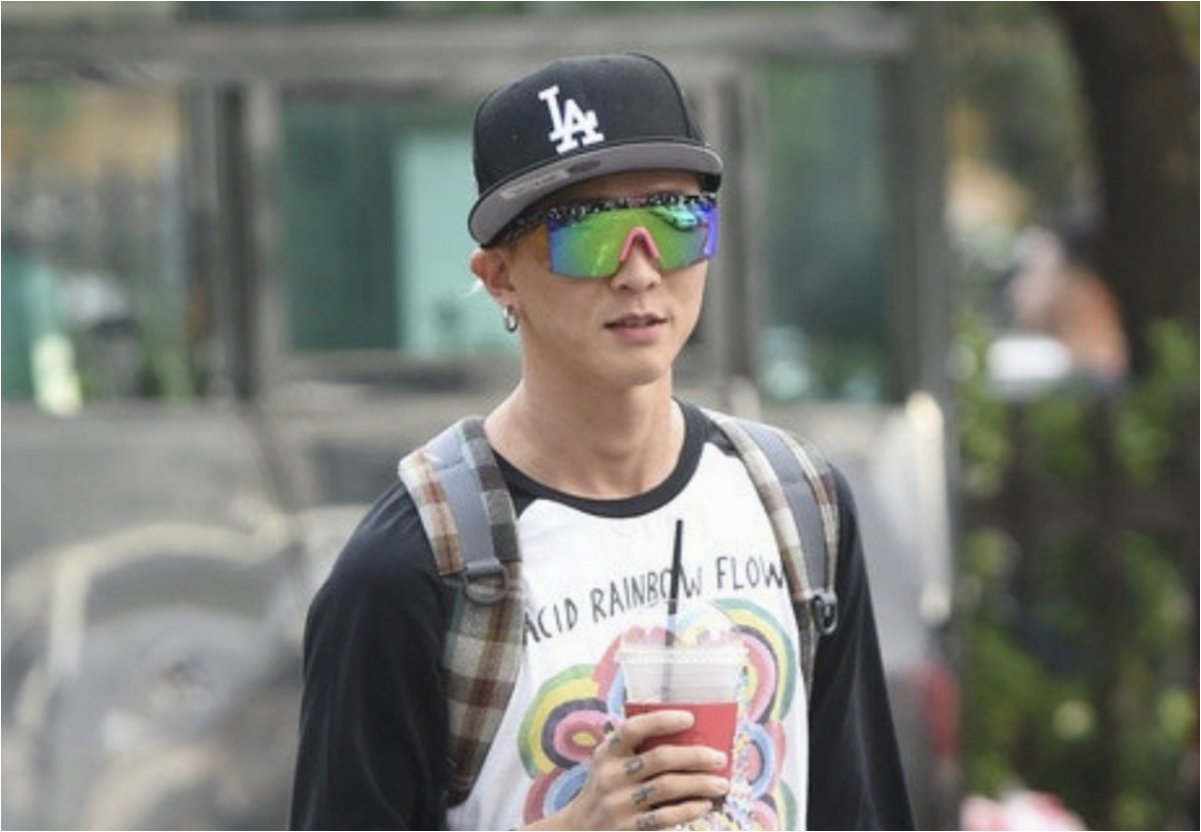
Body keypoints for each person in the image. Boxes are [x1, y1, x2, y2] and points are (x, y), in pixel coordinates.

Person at [290, 53, 913, 831]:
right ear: (498, 277)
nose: (639, 270)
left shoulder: (796, 504)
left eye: (675, 220)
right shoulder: (414, 568)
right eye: (588, 232)